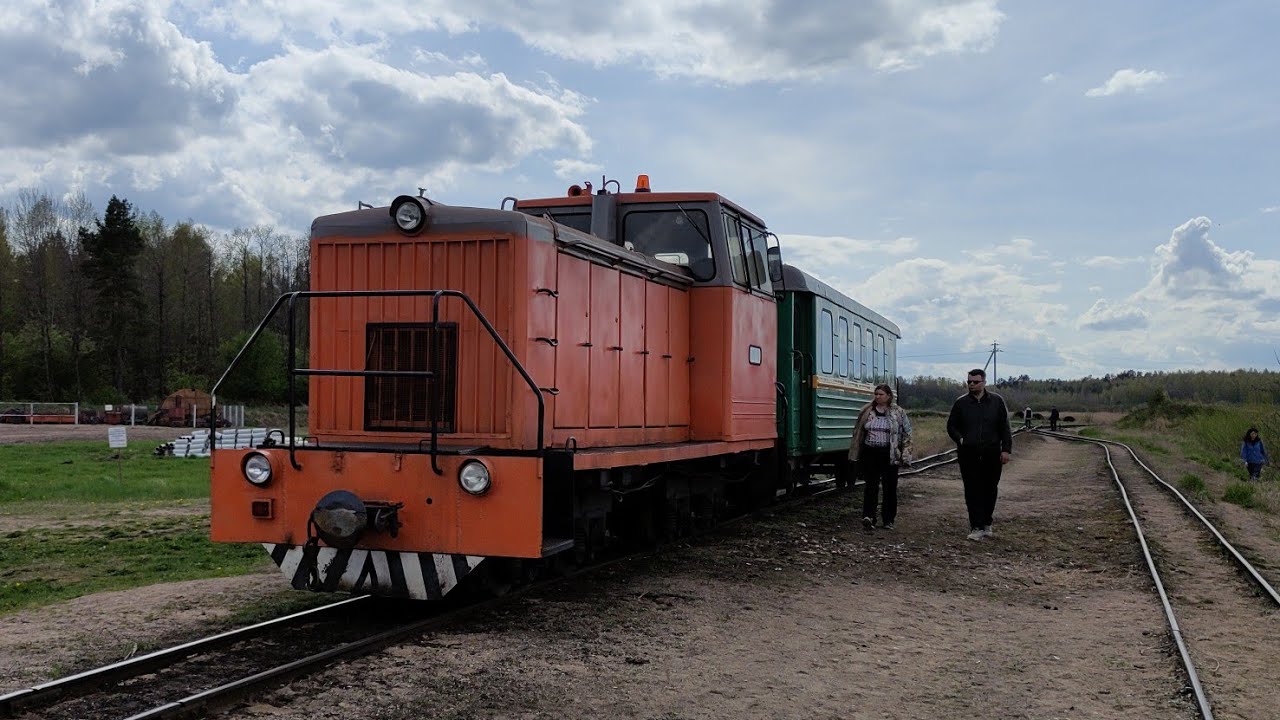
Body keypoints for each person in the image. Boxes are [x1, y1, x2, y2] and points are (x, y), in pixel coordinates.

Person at [946, 369, 1012, 540]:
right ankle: (976, 525)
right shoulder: (961, 403)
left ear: (984, 382)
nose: (972, 385)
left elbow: (1004, 427)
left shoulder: (996, 402)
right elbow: (951, 426)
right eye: (969, 382)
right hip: (969, 453)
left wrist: (1006, 449)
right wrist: (960, 439)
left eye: (975, 382)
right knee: (972, 489)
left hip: (991, 452)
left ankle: (987, 523)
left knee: (990, 488)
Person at [849, 384, 913, 531]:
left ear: (889, 396)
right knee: (870, 486)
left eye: (881, 394)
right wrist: (855, 452)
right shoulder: (867, 411)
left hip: (889, 454)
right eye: (876, 394)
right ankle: (869, 516)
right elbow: (858, 431)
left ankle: (888, 519)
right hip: (870, 452)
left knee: (889, 487)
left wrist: (906, 454)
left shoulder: (898, 412)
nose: (877, 397)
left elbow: (907, 433)